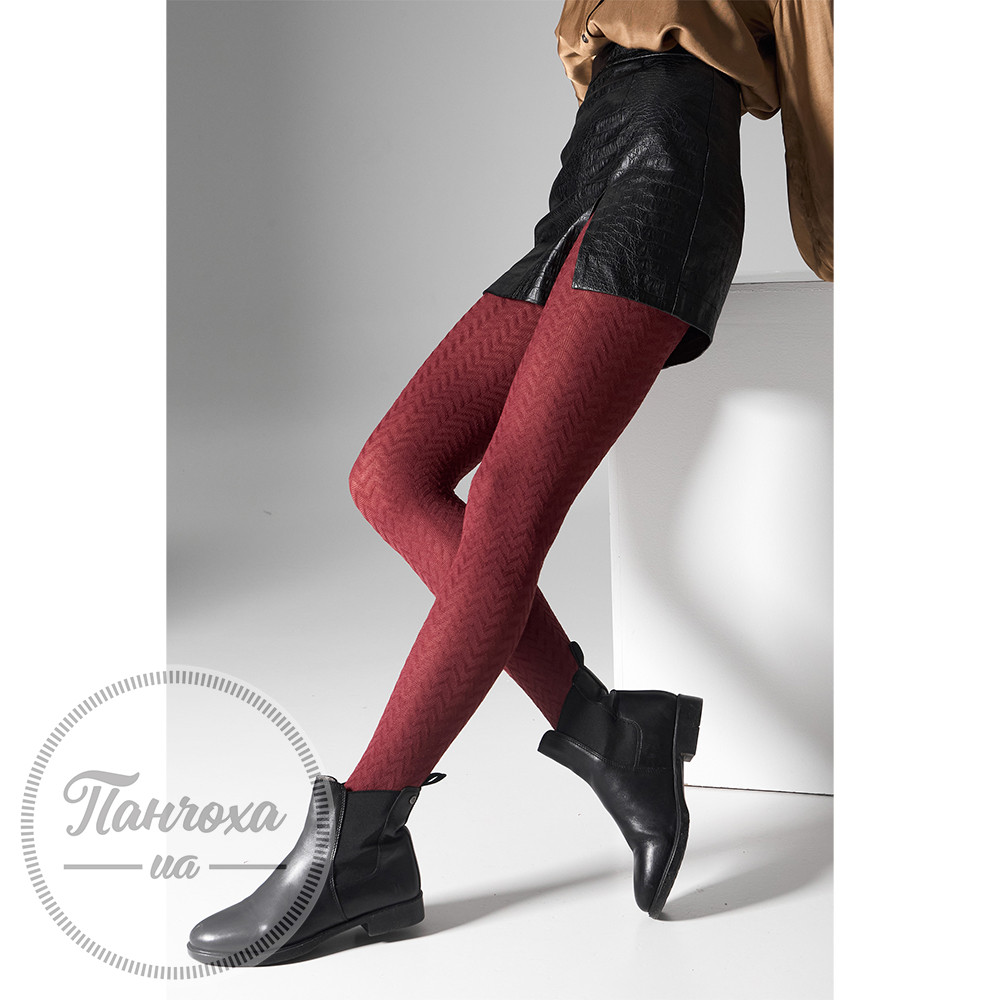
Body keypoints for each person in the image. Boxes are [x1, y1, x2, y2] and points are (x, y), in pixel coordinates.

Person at [186, 0, 833, 966]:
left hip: (674, 164)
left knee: (507, 505)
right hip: (592, 163)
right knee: (389, 474)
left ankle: (363, 840)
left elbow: (818, 53)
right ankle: (610, 732)